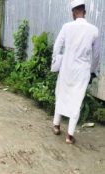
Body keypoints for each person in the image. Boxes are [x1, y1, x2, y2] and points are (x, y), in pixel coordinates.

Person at [52, 0, 100, 144]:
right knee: (76, 100)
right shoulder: (94, 30)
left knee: (61, 94)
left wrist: (57, 62)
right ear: (84, 12)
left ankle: (56, 125)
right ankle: (69, 136)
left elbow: (57, 47)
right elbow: (96, 55)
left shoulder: (67, 27)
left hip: (67, 69)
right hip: (82, 71)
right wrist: (91, 71)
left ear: (73, 12)